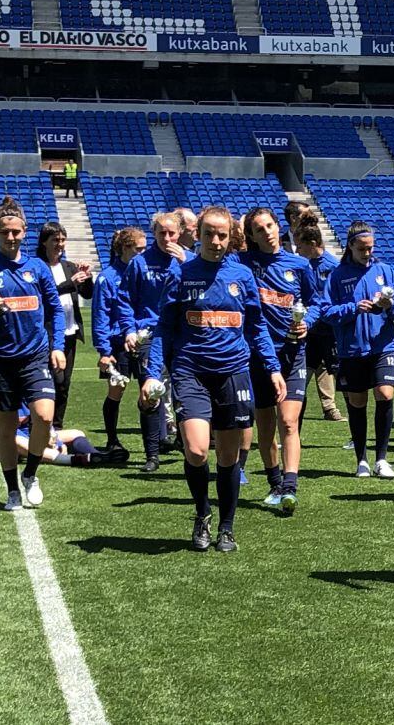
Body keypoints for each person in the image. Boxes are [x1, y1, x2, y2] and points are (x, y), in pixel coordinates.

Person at [143, 206, 284, 552]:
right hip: (191, 371)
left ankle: (226, 526)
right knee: (194, 450)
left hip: (234, 372)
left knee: (228, 457)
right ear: (198, 235)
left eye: (222, 235)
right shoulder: (181, 275)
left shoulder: (243, 277)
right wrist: (151, 373)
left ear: (230, 237)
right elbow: (163, 328)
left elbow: (256, 327)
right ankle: (202, 512)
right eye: (209, 234)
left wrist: (273, 366)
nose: (216, 241)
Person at [0, 197, 65, 510]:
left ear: (24, 232)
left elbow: (56, 309)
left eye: (17, 232)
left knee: (44, 416)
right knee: (5, 429)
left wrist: (57, 345)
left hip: (34, 356)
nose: (11, 237)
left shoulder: (38, 268)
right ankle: (11, 490)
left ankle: (31, 473)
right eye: (5, 232)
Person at [241, 207, 318, 513]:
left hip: (292, 353)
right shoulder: (243, 264)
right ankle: (273, 481)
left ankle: (290, 486)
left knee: (288, 421)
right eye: (259, 229)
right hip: (259, 355)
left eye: (270, 226)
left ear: (279, 227)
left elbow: (317, 302)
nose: (267, 232)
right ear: (251, 236)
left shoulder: (299, 265)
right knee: (265, 425)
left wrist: (307, 321)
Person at [320, 221, 394, 479]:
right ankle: (362, 459)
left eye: (370, 248)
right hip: (352, 349)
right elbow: (326, 311)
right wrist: (353, 308)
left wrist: (389, 305)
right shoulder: (337, 276)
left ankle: (382, 458)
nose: (367, 253)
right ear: (350, 246)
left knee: (385, 393)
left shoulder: (385, 270)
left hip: (383, 345)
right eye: (362, 249)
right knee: (357, 402)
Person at [116, 211, 191, 473]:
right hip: (151, 334)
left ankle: (185, 443)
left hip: (184, 335)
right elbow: (124, 300)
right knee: (151, 392)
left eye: (172, 233)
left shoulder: (190, 260)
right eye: (161, 233)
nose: (167, 238)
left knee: (185, 391)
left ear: (180, 233)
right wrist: (129, 330)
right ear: (153, 234)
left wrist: (185, 263)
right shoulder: (140, 263)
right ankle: (152, 454)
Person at [92, 227, 145, 461]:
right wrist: (104, 350)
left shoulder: (143, 272)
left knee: (150, 390)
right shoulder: (107, 278)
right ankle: (112, 439)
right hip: (116, 345)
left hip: (143, 341)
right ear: (125, 248)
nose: (143, 254)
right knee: (117, 390)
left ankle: (154, 444)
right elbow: (100, 316)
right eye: (138, 249)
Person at [36, 222, 93, 429]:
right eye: (55, 240)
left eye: (62, 240)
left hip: (70, 330)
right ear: (44, 242)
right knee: (49, 380)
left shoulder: (68, 266)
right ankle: (40, 423)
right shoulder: (37, 266)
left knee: (64, 384)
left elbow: (87, 294)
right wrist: (71, 284)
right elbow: (43, 296)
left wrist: (86, 279)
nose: (60, 244)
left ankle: (57, 426)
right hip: (47, 332)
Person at [294, 223, 344, 422]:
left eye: (300, 246)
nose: (297, 250)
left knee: (341, 378)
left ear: (313, 244)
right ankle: (293, 421)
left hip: (330, 332)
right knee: (300, 375)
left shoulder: (332, 266)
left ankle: (352, 431)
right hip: (309, 331)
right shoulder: (301, 266)